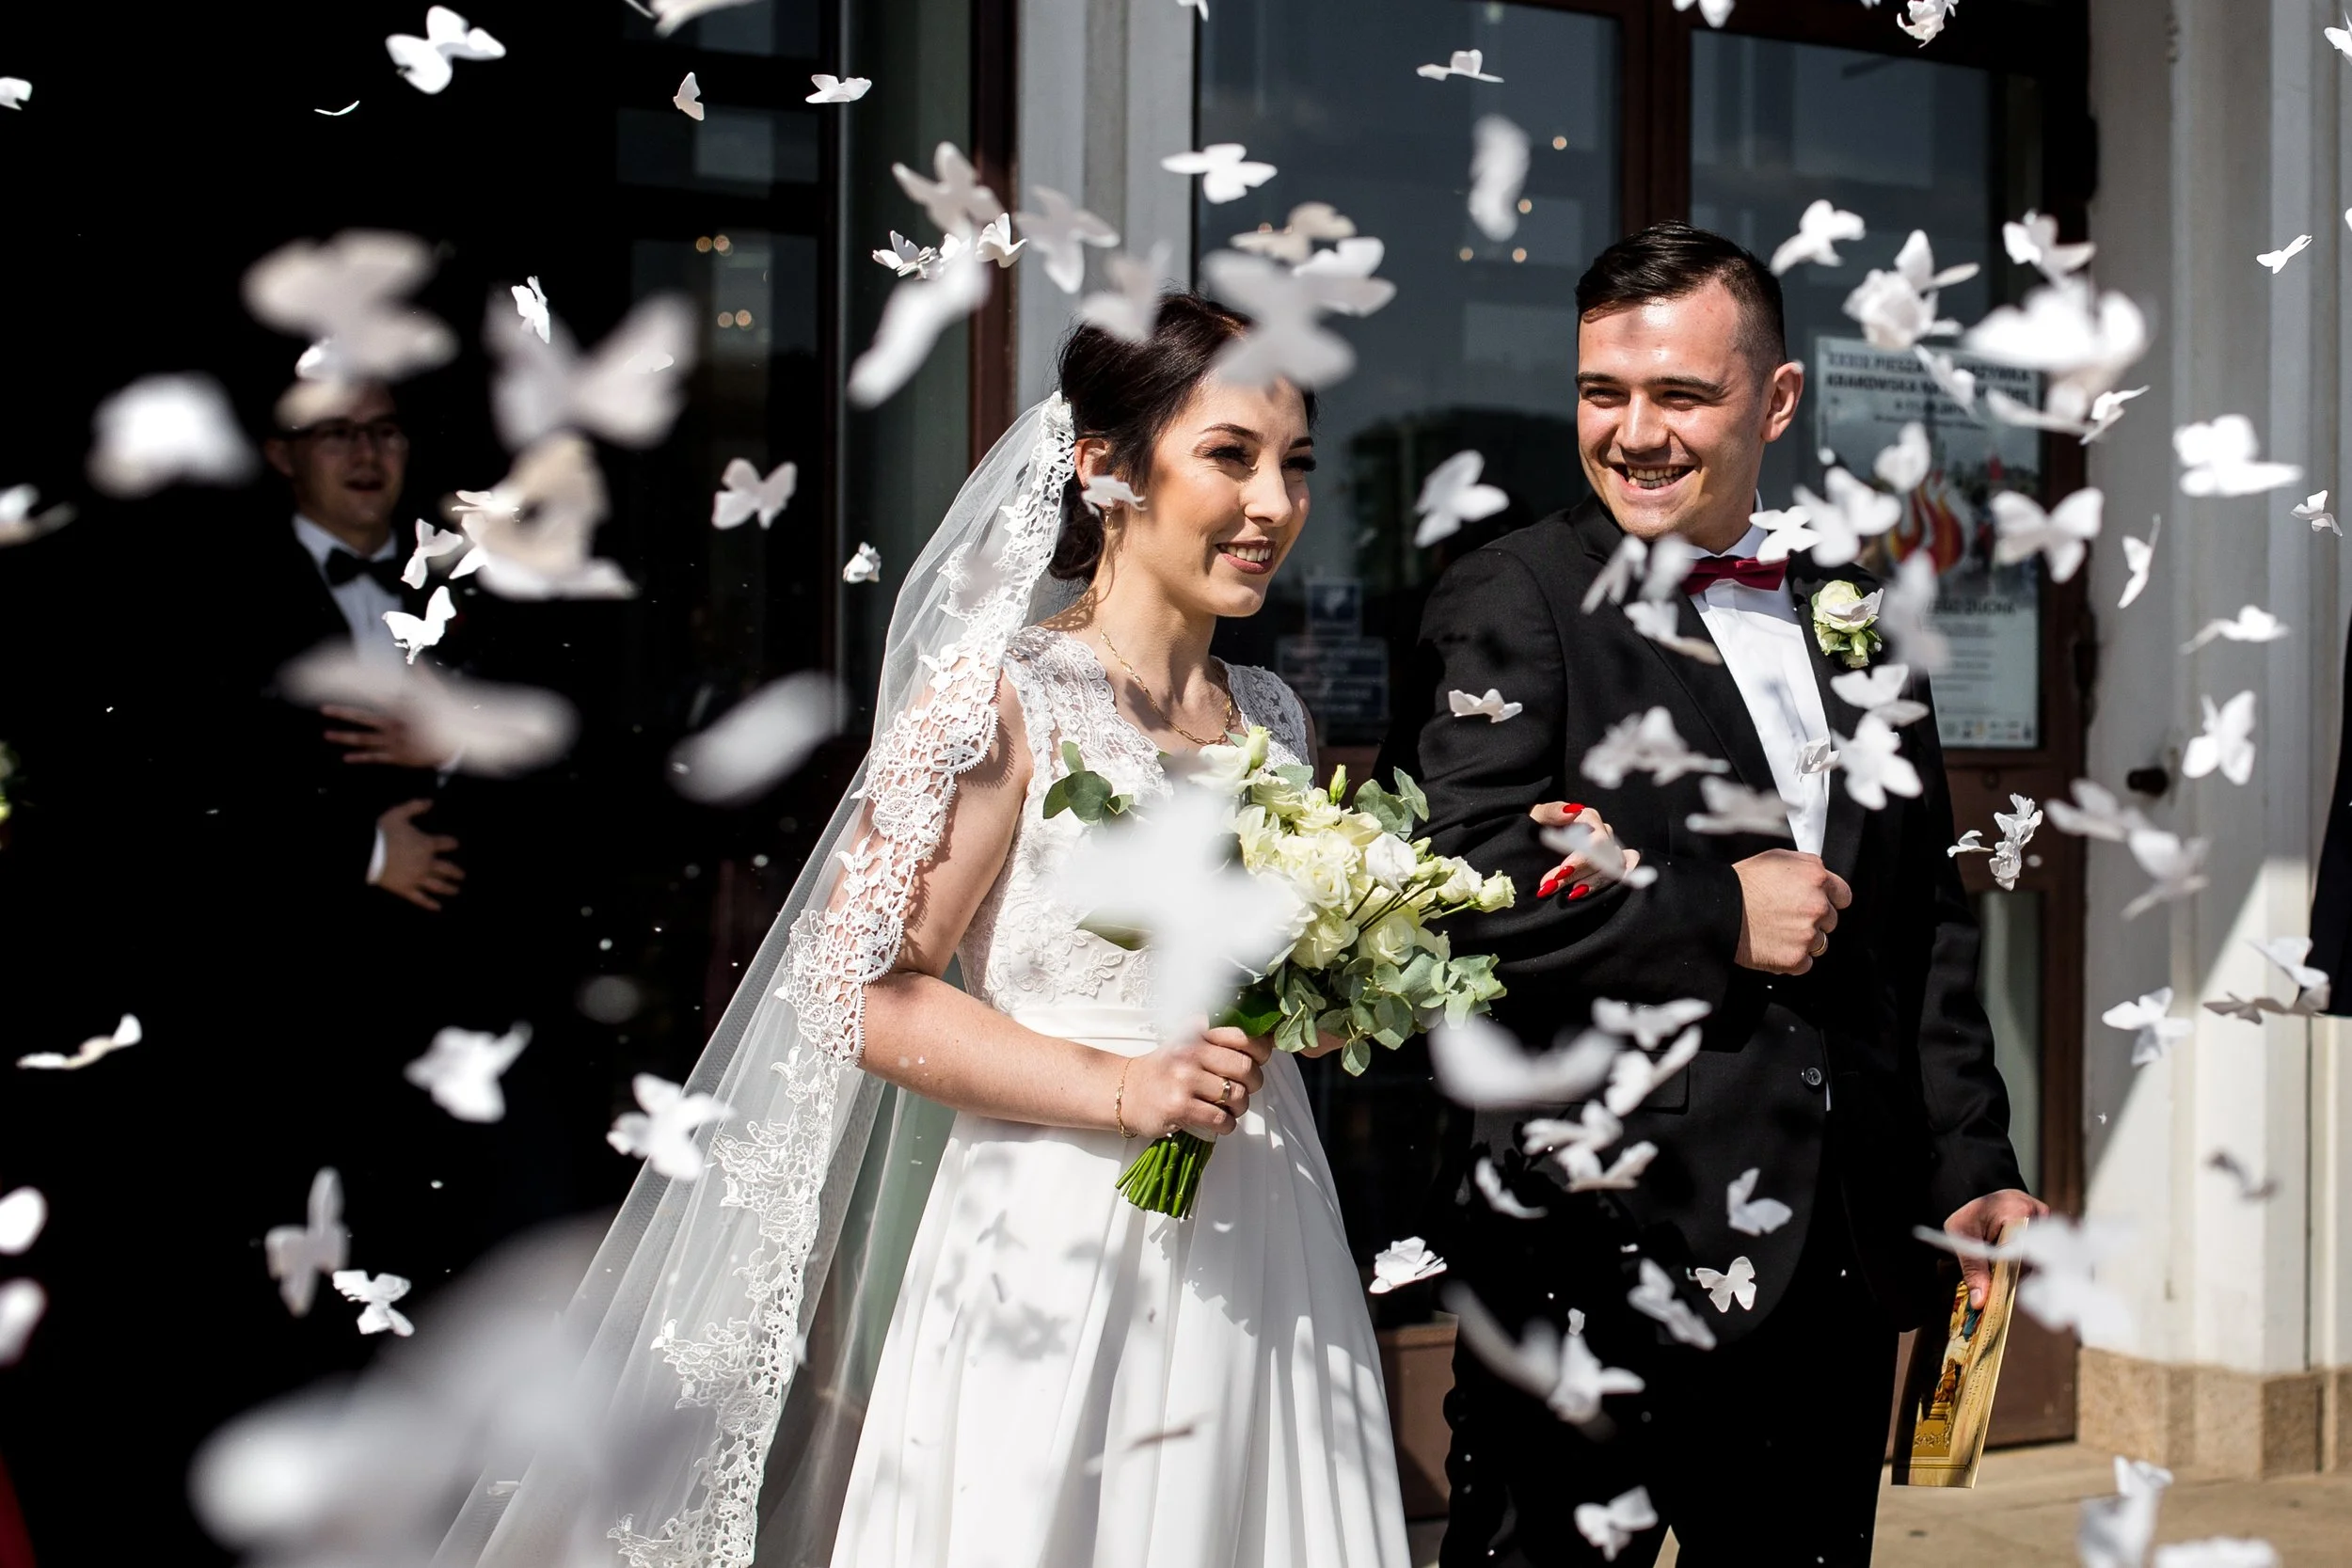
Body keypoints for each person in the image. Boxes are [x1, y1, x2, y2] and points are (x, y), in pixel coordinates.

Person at [442, 297, 1411, 1568]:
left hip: (1266, 1228)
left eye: (1294, 464)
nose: (1275, 503)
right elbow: (863, 990)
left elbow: (1257, 980)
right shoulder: (1004, 700)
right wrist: (1122, 1083)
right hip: (1058, 1248)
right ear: (1107, 466)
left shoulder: (1272, 716)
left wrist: (1324, 1003)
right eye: (1231, 455)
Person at [1386, 222, 2043, 1566]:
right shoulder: (1510, 597)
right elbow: (1457, 881)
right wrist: (1714, 912)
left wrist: (1971, 1167)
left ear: (1777, 401)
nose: (1634, 432)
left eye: (1680, 395)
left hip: (1837, 1263)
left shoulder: (1856, 606)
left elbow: (1923, 917)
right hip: (1592, 1244)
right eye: (1601, 392)